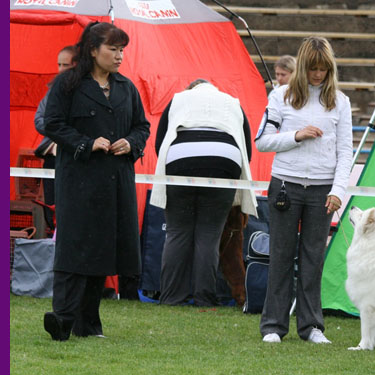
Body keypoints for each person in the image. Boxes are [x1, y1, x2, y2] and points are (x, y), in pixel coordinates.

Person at [42, 21, 150, 341]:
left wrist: (131, 143)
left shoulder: (126, 87)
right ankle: (61, 319)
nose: (119, 56)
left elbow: (141, 127)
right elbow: (52, 125)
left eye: (122, 50)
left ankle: (88, 323)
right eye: (112, 49)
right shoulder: (67, 85)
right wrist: (86, 143)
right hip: (78, 180)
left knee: (103, 249)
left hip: (116, 181)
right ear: (92, 50)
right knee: (74, 249)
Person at [255, 37, 353, 344]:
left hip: (322, 191)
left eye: (324, 69)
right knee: (281, 256)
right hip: (285, 184)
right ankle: (273, 326)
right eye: (313, 68)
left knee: (313, 258)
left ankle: (312, 326)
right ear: (303, 66)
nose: (318, 74)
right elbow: (262, 141)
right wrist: (296, 136)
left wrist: (338, 190)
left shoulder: (341, 101)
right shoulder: (280, 95)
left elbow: (345, 150)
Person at [150, 79, 257, 307]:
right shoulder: (232, 102)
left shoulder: (178, 99)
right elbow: (246, 149)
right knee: (209, 234)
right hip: (224, 160)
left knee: (178, 232)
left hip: (180, 159)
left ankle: (171, 297)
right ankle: (204, 298)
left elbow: (160, 142)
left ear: (191, 90)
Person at [34, 45, 77, 230]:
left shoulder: (87, 91)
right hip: (52, 159)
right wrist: (60, 132)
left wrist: (65, 136)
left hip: (76, 158)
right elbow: (39, 120)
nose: (60, 69)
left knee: (73, 208)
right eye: (59, 64)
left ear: (77, 65)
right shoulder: (52, 91)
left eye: (65, 65)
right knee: (52, 206)